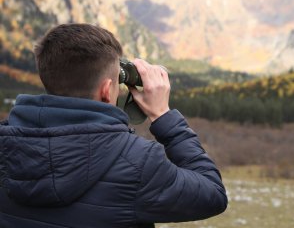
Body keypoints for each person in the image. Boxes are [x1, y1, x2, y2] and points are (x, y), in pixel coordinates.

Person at [0, 23, 227, 228]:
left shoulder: (5, 145)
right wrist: (162, 116)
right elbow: (213, 194)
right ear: (107, 90)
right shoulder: (138, 163)